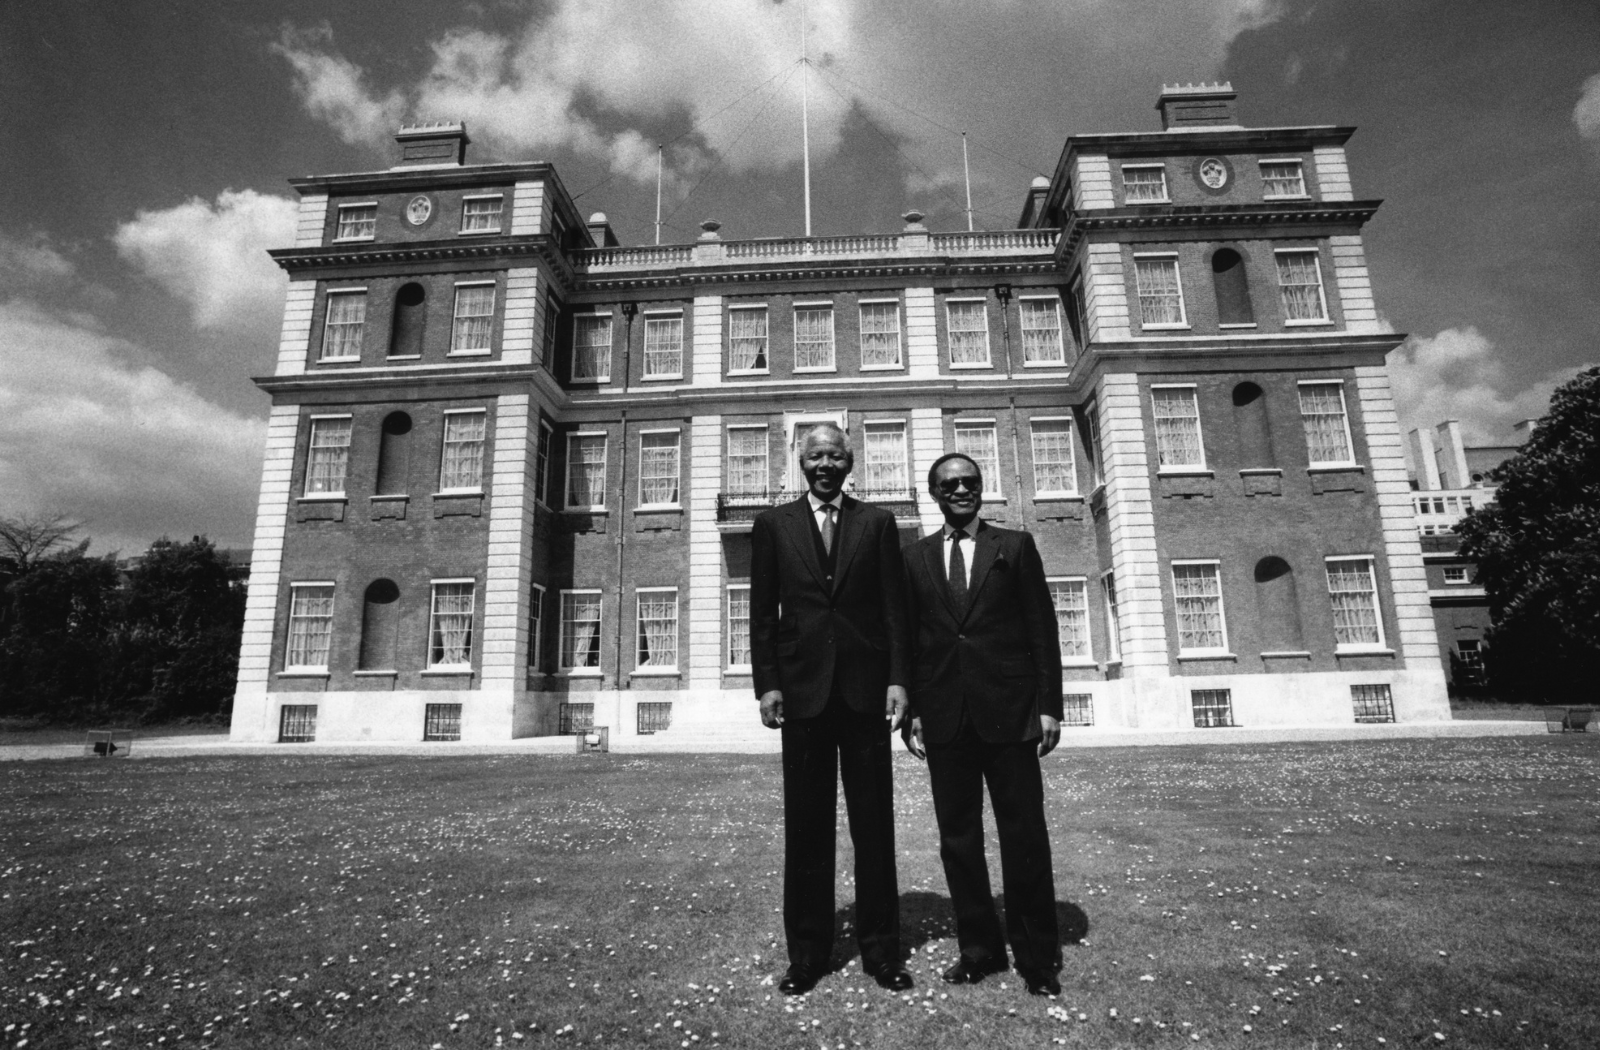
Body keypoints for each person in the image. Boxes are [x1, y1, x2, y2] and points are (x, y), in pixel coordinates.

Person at [750, 422, 915, 995]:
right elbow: (762, 613)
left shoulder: (878, 523)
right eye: (816, 455)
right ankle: (807, 955)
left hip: (866, 693)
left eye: (835, 456)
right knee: (807, 829)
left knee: (874, 827)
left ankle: (882, 953)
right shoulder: (773, 525)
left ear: (850, 462)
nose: (825, 464)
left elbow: (895, 610)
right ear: (801, 462)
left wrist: (899, 680)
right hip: (802, 695)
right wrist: (767, 684)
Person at [901, 451, 1065, 996]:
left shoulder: (1014, 546)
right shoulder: (914, 557)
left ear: (981, 488)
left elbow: (1042, 629)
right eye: (949, 485)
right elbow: (910, 640)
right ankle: (979, 950)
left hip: (1011, 714)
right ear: (935, 494)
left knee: (1024, 835)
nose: (961, 491)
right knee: (959, 840)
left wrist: (1049, 705)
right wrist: (914, 711)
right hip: (945, 718)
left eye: (969, 482)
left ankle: (1037, 957)